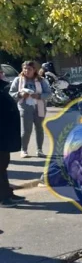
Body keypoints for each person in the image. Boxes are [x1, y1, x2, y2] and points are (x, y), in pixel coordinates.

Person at [9, 61, 51, 158]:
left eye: (29, 69)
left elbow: (49, 94)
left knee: (39, 129)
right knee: (26, 129)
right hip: (25, 107)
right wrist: (20, 94)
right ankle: (24, 150)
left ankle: (39, 150)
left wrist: (39, 96)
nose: (27, 71)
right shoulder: (18, 80)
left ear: (34, 70)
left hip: (39, 107)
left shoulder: (41, 80)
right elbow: (11, 93)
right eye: (25, 68)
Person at [0, 70, 26, 207]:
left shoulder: (2, 87)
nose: (2, 73)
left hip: (5, 136)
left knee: (3, 165)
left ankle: (7, 194)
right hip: (2, 135)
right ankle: (3, 198)